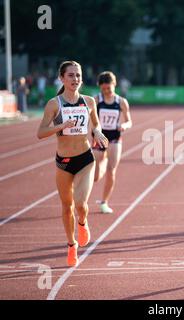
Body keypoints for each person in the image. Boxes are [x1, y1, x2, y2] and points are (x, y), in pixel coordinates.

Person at [37, 61, 108, 267]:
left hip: (85, 158)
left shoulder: (88, 102)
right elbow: (40, 132)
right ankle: (71, 245)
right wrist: (60, 125)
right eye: (71, 75)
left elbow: (95, 123)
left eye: (78, 75)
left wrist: (97, 131)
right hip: (63, 163)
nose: (75, 79)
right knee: (67, 207)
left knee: (80, 204)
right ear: (61, 78)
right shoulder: (54, 104)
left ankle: (83, 223)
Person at [93, 71, 132, 214]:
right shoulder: (96, 100)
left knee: (111, 171)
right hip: (99, 137)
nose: (106, 91)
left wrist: (124, 126)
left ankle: (104, 202)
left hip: (115, 137)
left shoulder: (121, 102)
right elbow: (90, 118)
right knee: (96, 176)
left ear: (114, 85)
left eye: (108, 88)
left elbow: (129, 121)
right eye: (103, 89)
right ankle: (102, 161)